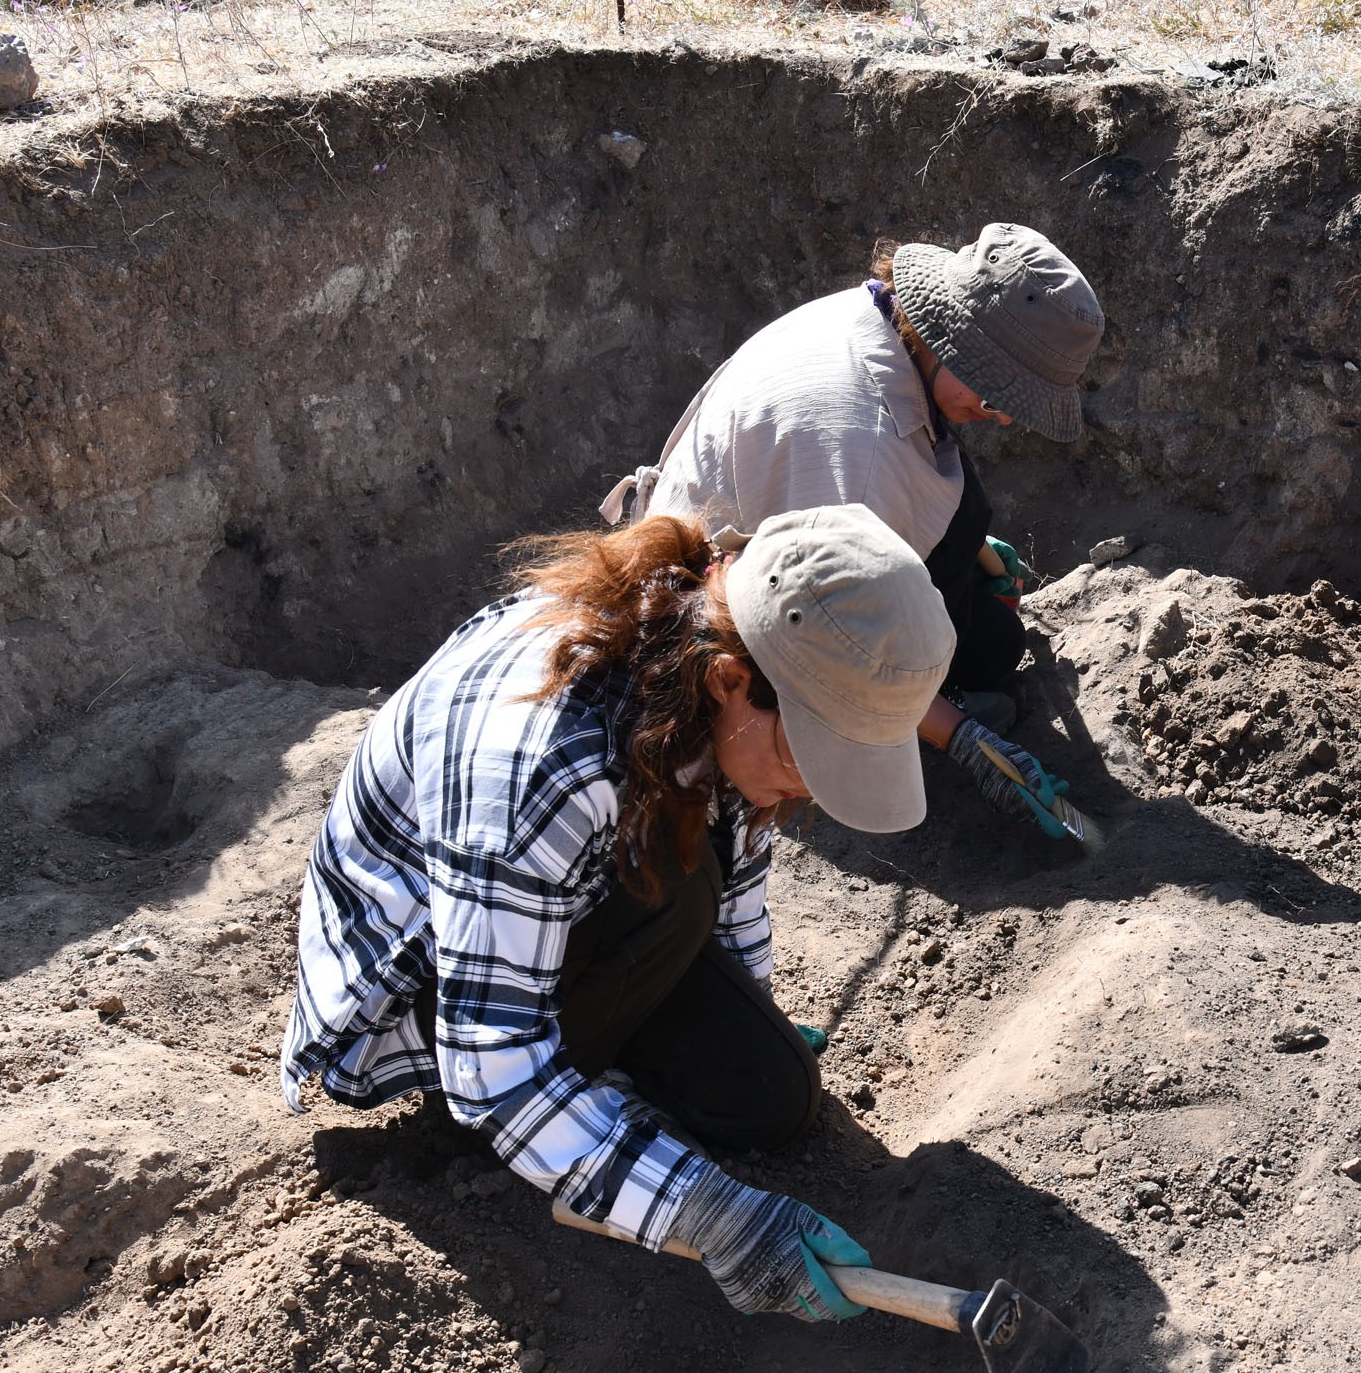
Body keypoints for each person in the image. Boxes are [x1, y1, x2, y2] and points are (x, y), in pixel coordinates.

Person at [279, 504, 951, 1320]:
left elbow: (734, 860)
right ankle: (560, 1121)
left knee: (770, 1096)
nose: (813, 787)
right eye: (808, 755)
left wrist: (752, 1010)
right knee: (674, 899)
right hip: (426, 999)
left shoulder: (707, 665)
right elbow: (492, 1065)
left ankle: (599, 1099)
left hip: (581, 904)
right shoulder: (542, 768)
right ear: (733, 682)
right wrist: (705, 1214)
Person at [599, 224, 1104, 840]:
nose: (1000, 415)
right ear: (950, 338)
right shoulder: (858, 458)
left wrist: (967, 542)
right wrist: (961, 735)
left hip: (780, 525)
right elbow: (833, 643)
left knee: (972, 537)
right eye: (996, 392)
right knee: (994, 650)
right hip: (726, 610)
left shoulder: (878, 316)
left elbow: (916, 452)